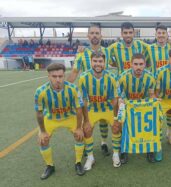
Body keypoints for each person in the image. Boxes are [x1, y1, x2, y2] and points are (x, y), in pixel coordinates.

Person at [34, 63, 85, 180]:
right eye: (54, 76)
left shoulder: (73, 89)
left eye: (60, 76)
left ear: (64, 75)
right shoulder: (40, 91)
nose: (58, 80)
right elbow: (39, 113)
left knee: (79, 135)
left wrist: (78, 128)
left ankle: (78, 163)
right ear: (48, 76)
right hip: (51, 118)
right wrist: (42, 131)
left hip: (69, 117)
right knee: (43, 140)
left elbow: (78, 109)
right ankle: (50, 166)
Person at [68, 25, 111, 155]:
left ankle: (104, 143)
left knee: (104, 120)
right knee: (86, 122)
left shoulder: (108, 51)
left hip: (104, 93)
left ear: (101, 36)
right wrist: (66, 87)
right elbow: (75, 71)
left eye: (97, 33)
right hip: (87, 96)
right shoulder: (81, 53)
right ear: (88, 36)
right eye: (92, 33)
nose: (94, 35)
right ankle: (88, 145)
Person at [78, 52, 120, 169]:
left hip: (108, 109)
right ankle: (90, 157)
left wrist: (116, 119)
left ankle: (116, 154)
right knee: (86, 129)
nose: (98, 64)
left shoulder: (111, 77)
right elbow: (84, 102)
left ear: (104, 63)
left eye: (100, 61)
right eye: (95, 61)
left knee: (117, 127)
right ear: (91, 62)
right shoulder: (83, 78)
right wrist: (85, 120)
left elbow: (115, 100)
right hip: (92, 109)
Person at [117, 53, 156, 164]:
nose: (138, 67)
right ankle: (124, 150)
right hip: (128, 106)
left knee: (151, 122)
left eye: (141, 64)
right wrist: (121, 104)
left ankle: (150, 150)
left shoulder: (150, 77)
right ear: (131, 64)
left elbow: (152, 95)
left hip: (144, 106)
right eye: (136, 64)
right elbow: (119, 95)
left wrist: (154, 101)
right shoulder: (123, 77)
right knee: (122, 123)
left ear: (145, 65)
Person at [144, 24, 171, 144]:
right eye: (159, 33)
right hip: (153, 86)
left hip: (168, 84)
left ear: (167, 35)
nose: (161, 35)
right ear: (155, 35)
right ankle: (152, 134)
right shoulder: (149, 48)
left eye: (163, 33)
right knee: (153, 110)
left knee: (170, 109)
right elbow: (145, 63)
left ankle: (170, 131)